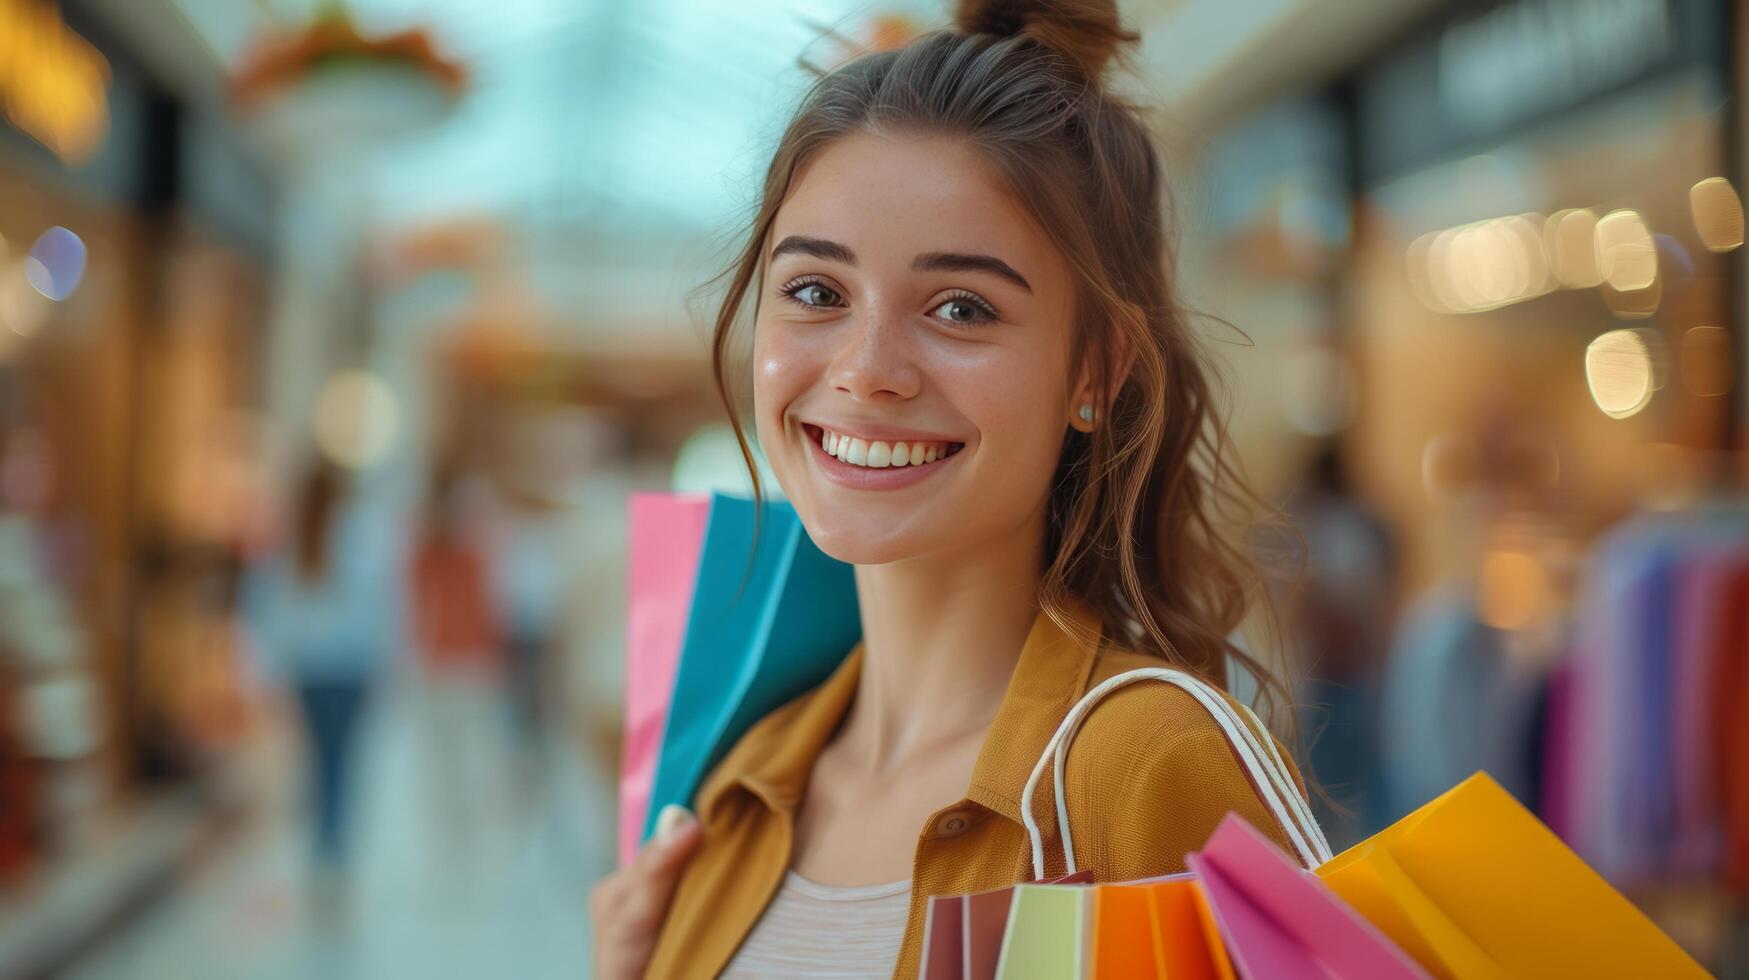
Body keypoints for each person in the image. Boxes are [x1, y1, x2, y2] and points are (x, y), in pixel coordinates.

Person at [591, 2, 1312, 976]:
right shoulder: (733, 779)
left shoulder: (1139, 766)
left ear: (1095, 369)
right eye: (816, 291)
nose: (866, 369)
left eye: (961, 307)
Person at [241, 459, 403, 906]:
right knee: (341, 764)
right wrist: (387, 664)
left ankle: (323, 850)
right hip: (349, 670)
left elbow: (267, 607)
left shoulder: (295, 540)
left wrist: (269, 666)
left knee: (317, 764)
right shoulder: (357, 536)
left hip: (310, 669)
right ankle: (334, 853)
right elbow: (380, 607)